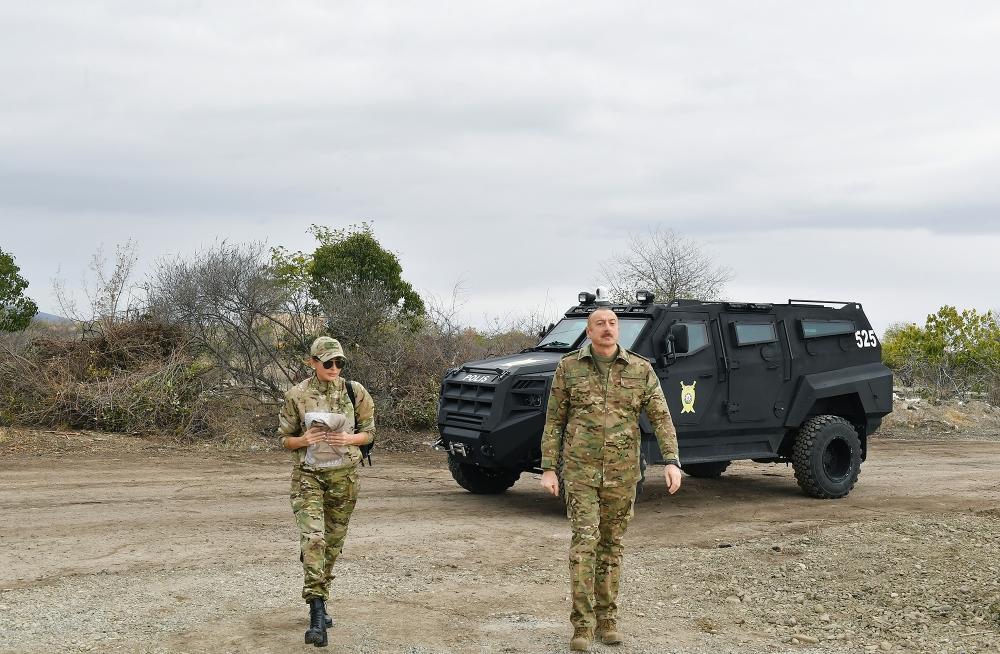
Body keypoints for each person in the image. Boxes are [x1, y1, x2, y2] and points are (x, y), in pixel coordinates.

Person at [539, 308, 682, 652]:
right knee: (584, 546)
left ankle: (608, 621)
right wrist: (547, 468)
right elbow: (554, 420)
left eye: (612, 323)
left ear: (619, 330)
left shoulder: (639, 369)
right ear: (588, 332)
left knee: (612, 548)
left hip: (622, 474)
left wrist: (672, 460)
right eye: (600, 324)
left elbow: (661, 417)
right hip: (580, 474)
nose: (607, 328)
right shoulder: (569, 368)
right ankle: (583, 627)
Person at [277, 336, 375, 648]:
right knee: (315, 539)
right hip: (308, 478)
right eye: (327, 362)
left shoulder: (354, 391)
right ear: (312, 363)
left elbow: (369, 433)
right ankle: (316, 613)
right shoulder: (297, 395)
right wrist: (303, 440)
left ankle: (320, 584)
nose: (334, 368)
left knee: (331, 544)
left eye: (339, 362)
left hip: (344, 479)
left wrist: (350, 439)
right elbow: (284, 439)